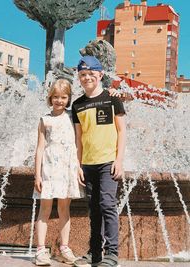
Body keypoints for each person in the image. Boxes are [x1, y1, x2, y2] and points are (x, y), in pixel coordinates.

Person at [72, 56, 126, 267]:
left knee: (107, 204)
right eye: (83, 75)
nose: (87, 78)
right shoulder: (78, 104)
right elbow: (79, 138)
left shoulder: (112, 98)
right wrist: (78, 165)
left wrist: (119, 160)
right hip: (88, 163)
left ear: (100, 75)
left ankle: (112, 253)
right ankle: (94, 253)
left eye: (91, 74)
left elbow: (122, 131)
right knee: (94, 208)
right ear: (79, 77)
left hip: (108, 162)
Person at [33, 79, 84, 266]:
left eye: (63, 97)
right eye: (56, 97)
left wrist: (79, 166)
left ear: (69, 98)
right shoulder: (44, 120)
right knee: (44, 209)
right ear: (50, 98)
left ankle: (64, 248)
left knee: (64, 208)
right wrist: (37, 174)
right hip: (49, 169)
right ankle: (40, 250)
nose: (59, 101)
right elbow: (39, 148)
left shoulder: (73, 117)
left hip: (67, 168)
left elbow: (79, 142)